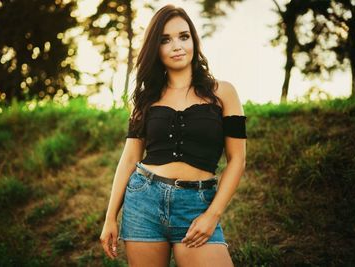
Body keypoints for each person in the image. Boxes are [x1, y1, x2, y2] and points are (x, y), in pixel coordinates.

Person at [100, 4, 247, 267]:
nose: (177, 45)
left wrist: (213, 214)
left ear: (194, 40)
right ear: (155, 48)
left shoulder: (223, 92)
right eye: (165, 40)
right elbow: (130, 157)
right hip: (143, 202)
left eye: (184, 36)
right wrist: (111, 216)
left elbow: (238, 159)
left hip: (196, 204)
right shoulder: (145, 99)